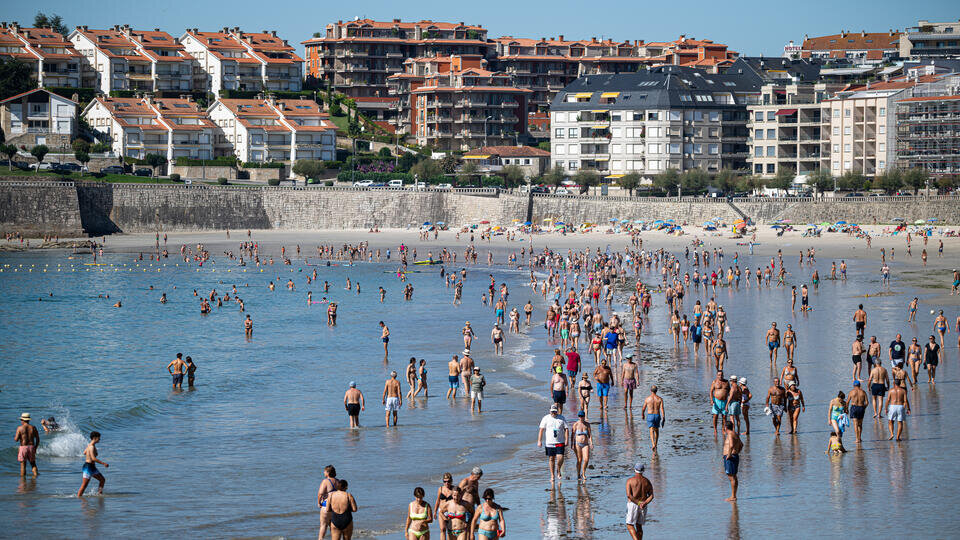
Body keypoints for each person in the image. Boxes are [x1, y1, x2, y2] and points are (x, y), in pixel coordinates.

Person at [537, 404, 568, 485]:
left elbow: (566, 429)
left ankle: (558, 469)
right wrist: (539, 441)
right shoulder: (545, 418)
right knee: (551, 459)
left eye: (555, 411)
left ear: (557, 411)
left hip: (560, 442)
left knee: (560, 457)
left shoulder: (561, 418)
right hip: (549, 442)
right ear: (550, 411)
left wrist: (567, 439)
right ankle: (552, 475)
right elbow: (541, 429)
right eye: (552, 411)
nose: (553, 413)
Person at [625, 462, 654, 540]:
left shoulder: (630, 481)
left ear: (635, 470)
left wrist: (638, 503)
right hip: (643, 505)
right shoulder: (647, 481)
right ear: (643, 470)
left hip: (633, 504)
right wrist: (645, 503)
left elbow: (629, 495)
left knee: (629, 525)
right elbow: (651, 496)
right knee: (639, 526)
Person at [77, 431, 108, 496]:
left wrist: (91, 453)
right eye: (99, 438)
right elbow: (93, 458)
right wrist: (103, 463)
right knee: (84, 485)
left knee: (102, 480)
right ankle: (79, 497)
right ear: (94, 438)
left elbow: (84, 452)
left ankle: (99, 494)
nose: (100, 439)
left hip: (92, 467)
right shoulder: (91, 447)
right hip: (88, 467)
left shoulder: (90, 445)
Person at [721, 420, 743, 501]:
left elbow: (731, 445)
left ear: (725, 427)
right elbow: (741, 445)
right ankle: (734, 495)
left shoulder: (730, 434)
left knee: (731, 477)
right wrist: (737, 452)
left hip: (730, 457)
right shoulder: (735, 433)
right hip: (734, 456)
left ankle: (733, 496)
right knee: (733, 476)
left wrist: (729, 454)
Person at [317, 465, 340, 539]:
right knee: (333, 526)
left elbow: (320, 494)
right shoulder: (338, 481)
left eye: (324, 471)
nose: (323, 472)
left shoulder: (325, 481)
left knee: (323, 525)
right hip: (336, 506)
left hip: (326, 505)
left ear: (328, 472)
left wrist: (319, 503)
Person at [15, 412, 39, 476]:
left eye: (21, 420)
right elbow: (37, 439)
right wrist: (35, 447)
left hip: (23, 447)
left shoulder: (19, 428)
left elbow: (16, 439)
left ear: (22, 420)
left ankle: (23, 481)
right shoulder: (33, 427)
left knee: (23, 465)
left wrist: (19, 436)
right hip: (31, 447)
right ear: (28, 420)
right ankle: (35, 477)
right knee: (33, 464)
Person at [571, 410, 593, 482]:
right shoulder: (576, 424)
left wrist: (591, 443)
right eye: (580, 416)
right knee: (579, 460)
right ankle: (578, 474)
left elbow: (589, 435)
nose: (581, 418)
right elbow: (572, 435)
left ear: (584, 416)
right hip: (578, 444)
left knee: (586, 459)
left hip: (585, 444)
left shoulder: (587, 424)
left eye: (582, 416)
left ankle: (583, 473)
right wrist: (572, 444)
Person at [642, 386, 665, 450]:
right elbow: (662, 409)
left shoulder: (647, 399)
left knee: (651, 430)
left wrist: (642, 415)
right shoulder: (660, 399)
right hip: (657, 415)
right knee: (657, 430)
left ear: (650, 390)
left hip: (650, 415)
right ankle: (656, 444)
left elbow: (643, 408)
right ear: (656, 391)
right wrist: (663, 418)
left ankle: (653, 444)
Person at [433, 473, 457, 539]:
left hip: (450, 511)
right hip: (441, 511)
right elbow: (437, 500)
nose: (446, 483)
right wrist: (435, 511)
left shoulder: (454, 489)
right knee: (442, 529)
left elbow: (457, 500)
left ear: (451, 481)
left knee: (450, 530)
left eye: (448, 481)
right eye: (445, 481)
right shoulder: (440, 489)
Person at [710, 371, 729, 435]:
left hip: (724, 401)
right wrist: (711, 400)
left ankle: (723, 429)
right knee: (715, 416)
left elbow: (730, 391)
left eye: (721, 375)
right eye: (719, 375)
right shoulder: (714, 382)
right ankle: (715, 429)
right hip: (716, 401)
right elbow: (711, 391)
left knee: (724, 416)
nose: (720, 376)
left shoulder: (726, 382)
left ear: (723, 375)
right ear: (717, 375)